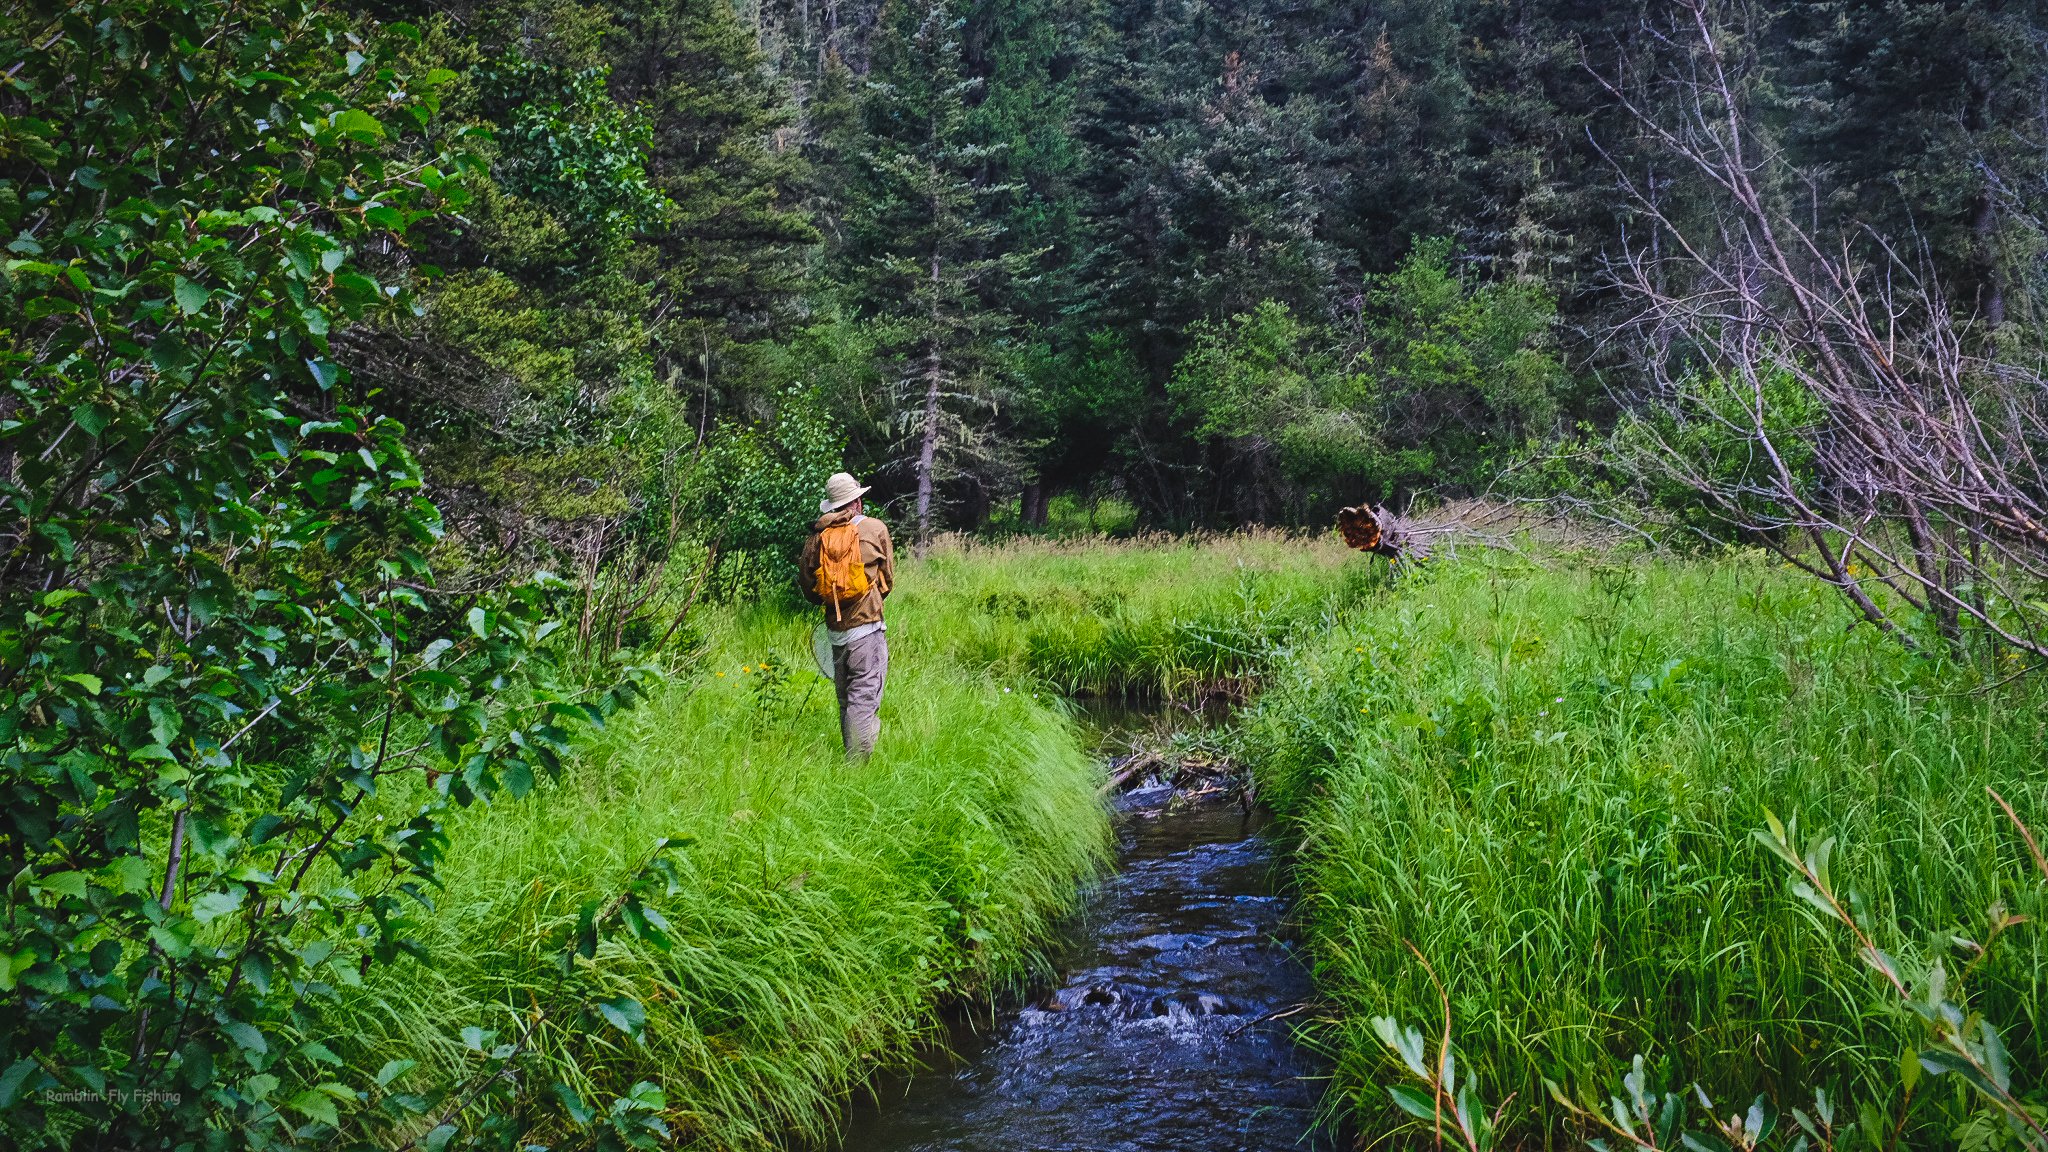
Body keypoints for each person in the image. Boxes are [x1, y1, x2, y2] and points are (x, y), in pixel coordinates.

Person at [799, 472, 896, 757]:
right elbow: (888, 580)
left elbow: (808, 586)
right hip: (867, 632)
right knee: (863, 700)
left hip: (835, 633)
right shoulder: (875, 529)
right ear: (857, 502)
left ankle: (850, 759)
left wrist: (833, 600)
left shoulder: (817, 536)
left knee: (846, 700)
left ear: (831, 505)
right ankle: (857, 769)